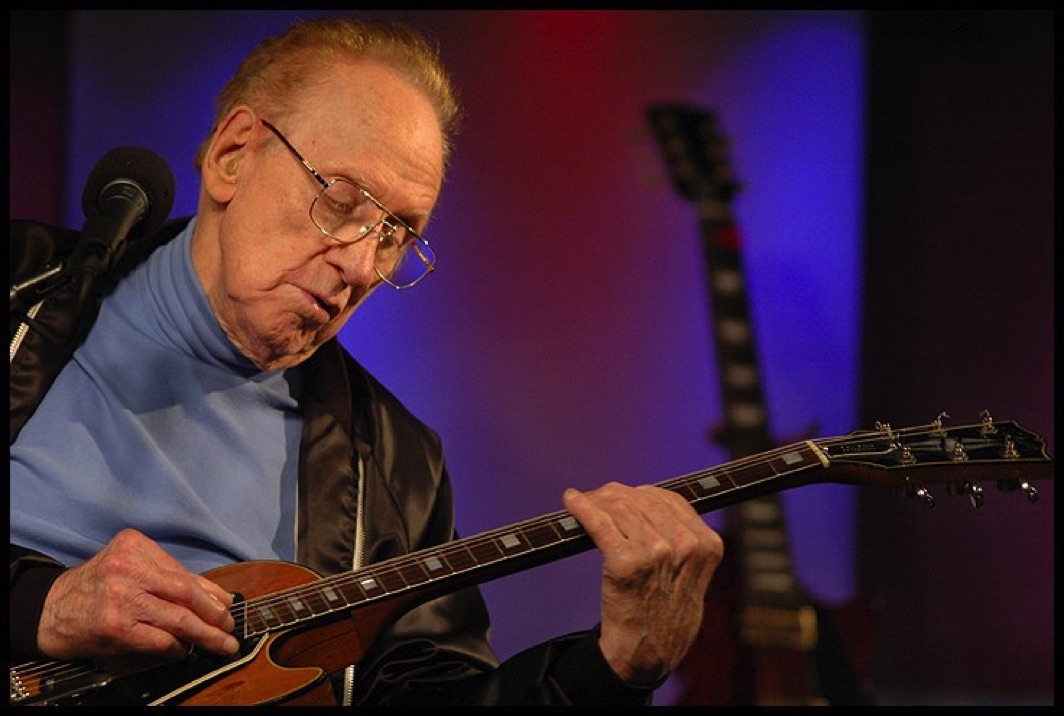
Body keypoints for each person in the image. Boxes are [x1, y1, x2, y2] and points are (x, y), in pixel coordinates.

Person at [9, 16, 724, 706]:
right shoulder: (20, 286)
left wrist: (611, 671)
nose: (357, 263)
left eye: (395, 235)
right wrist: (38, 603)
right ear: (232, 156)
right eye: (342, 200)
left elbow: (431, 692)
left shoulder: (393, 462)